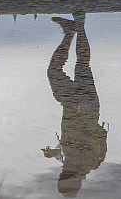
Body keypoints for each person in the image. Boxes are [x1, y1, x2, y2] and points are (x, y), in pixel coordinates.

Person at [42, 13, 108, 196]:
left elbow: (68, 149)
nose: (61, 177)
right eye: (63, 182)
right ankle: (74, 29)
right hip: (82, 108)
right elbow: (98, 137)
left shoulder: (69, 164)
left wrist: (53, 153)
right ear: (74, 182)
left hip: (77, 106)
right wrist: (84, 113)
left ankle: (75, 28)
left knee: (79, 66)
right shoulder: (88, 163)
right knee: (63, 70)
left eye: (60, 181)